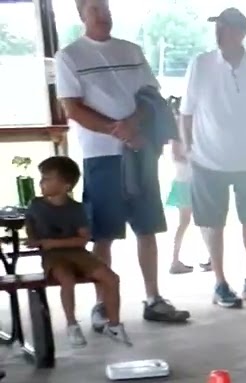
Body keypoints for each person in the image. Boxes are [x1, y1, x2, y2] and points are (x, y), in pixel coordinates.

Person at [54, 0, 189, 326]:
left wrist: (134, 124)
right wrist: (117, 130)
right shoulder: (69, 56)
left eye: (106, 9)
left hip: (140, 151)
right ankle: (103, 305)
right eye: (95, 10)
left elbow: (151, 96)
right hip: (101, 156)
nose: (103, 16)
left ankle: (154, 298)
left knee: (147, 227)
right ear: (82, 15)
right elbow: (73, 108)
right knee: (104, 233)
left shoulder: (131, 50)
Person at [181, 7, 246, 309]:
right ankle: (220, 283)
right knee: (214, 224)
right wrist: (189, 150)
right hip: (208, 159)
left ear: (240, 33)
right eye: (218, 26)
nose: (218, 31)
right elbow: (186, 112)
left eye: (224, 26)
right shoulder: (200, 65)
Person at [24, 156, 130, 347]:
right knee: (66, 279)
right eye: (42, 177)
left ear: (66, 185)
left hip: (79, 254)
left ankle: (114, 325)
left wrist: (52, 243)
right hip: (54, 258)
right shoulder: (36, 206)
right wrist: (35, 241)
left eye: (48, 178)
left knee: (111, 278)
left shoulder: (76, 209)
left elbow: (82, 239)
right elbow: (31, 232)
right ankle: (72, 324)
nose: (42, 182)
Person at [164, 95, 199, 275]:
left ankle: (176, 260)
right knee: (187, 222)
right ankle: (175, 260)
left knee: (190, 222)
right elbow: (177, 156)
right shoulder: (179, 128)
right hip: (186, 181)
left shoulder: (180, 128)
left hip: (188, 180)